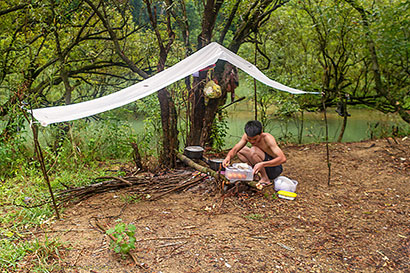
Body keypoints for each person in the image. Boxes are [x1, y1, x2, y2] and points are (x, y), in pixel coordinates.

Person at [222, 120, 286, 187]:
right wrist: (228, 157)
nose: (252, 141)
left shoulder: (268, 138)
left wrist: (262, 164)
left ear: (261, 133)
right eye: (249, 139)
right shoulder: (246, 136)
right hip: (260, 165)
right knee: (241, 150)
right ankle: (253, 174)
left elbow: (283, 159)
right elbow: (235, 149)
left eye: (255, 139)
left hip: (274, 168)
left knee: (254, 150)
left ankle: (265, 179)